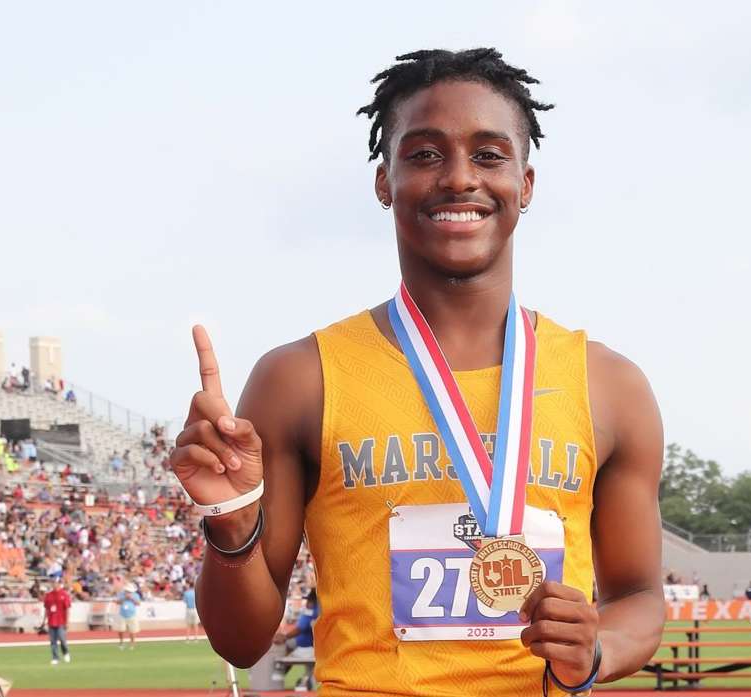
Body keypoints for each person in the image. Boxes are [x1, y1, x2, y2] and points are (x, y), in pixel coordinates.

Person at [172, 48, 666, 696]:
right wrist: (232, 523)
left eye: (488, 155)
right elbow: (241, 641)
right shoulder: (300, 379)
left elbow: (639, 596)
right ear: (385, 181)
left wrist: (598, 646)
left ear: (525, 184)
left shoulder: (611, 387)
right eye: (426, 154)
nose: (459, 178)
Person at [275, 589, 319, 691]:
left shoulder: (312, 611)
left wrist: (284, 637)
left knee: (281, 654)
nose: (306, 603)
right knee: (286, 647)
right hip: (309, 648)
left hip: (308, 649)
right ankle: (306, 682)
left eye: (308, 600)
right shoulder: (317, 610)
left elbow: (300, 628)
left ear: (312, 601)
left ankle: (279, 675)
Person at [43, 577, 73, 665]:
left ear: (59, 584)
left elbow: (67, 609)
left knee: (62, 639)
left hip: (61, 621)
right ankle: (55, 657)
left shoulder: (64, 594)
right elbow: (46, 609)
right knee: (53, 641)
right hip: (51, 621)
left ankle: (65, 652)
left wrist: (67, 622)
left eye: (55, 583)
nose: (54, 584)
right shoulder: (48, 595)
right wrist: (44, 621)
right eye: (53, 583)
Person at [117, 583, 141, 649]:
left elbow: (138, 603)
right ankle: (121, 642)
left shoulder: (136, 595)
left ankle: (132, 644)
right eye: (127, 591)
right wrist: (125, 598)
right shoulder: (121, 594)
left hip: (132, 614)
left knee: (132, 631)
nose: (128, 592)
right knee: (121, 630)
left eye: (129, 591)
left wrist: (131, 598)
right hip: (122, 614)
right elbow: (117, 602)